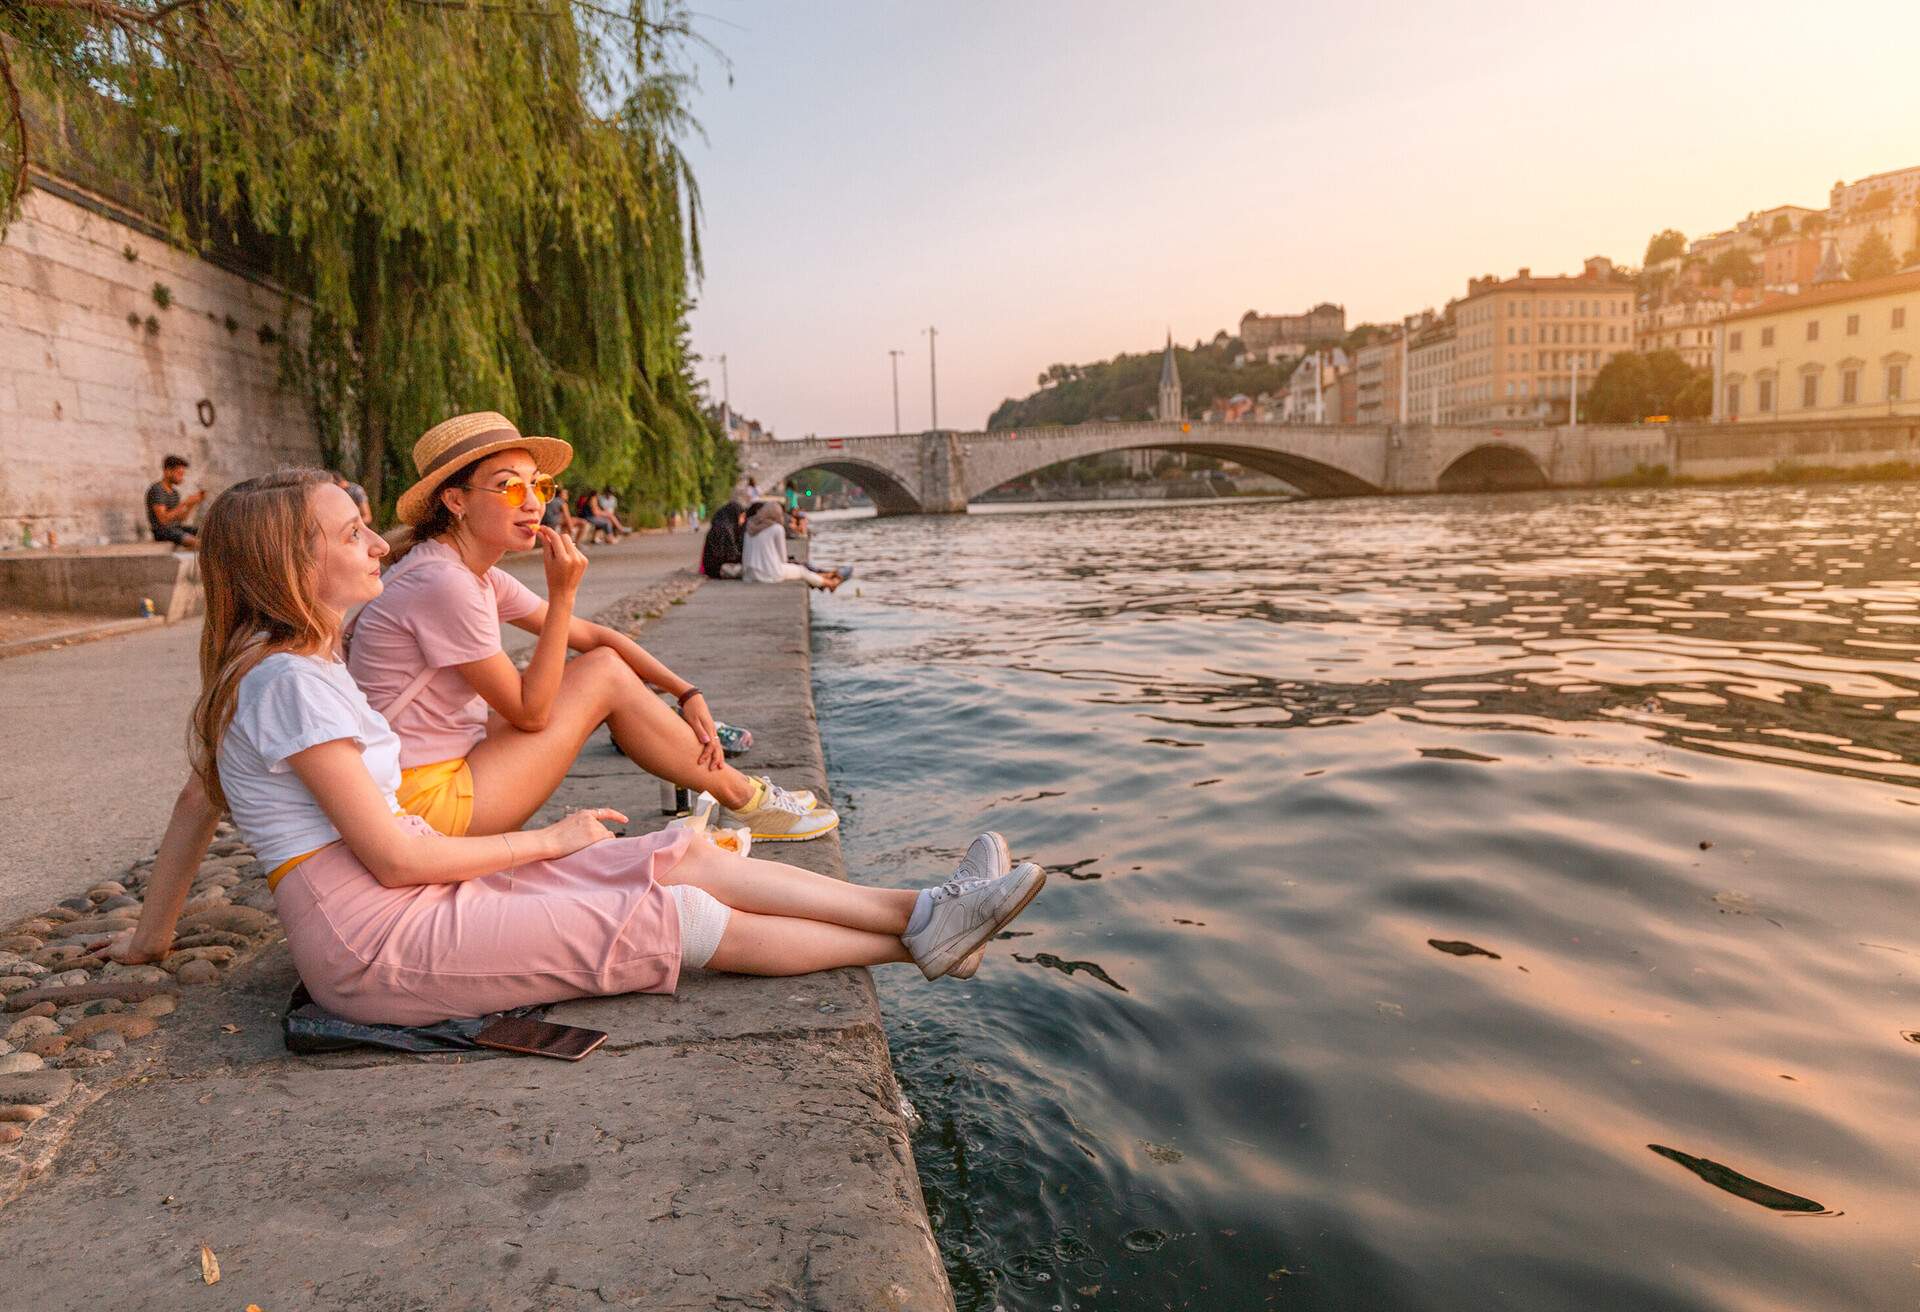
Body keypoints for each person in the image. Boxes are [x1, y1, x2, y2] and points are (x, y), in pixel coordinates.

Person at [98, 469, 1046, 1023]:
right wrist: (551, 842)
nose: (377, 547)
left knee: (674, 851)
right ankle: (917, 942)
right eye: (351, 535)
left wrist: (151, 943)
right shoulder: (292, 681)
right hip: (377, 943)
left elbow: (196, 804)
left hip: (403, 905)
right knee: (670, 916)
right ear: (289, 566)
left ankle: (925, 908)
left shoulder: (280, 666)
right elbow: (391, 856)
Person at [743, 501, 847, 590]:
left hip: (750, 575)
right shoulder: (776, 528)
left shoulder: (750, 528)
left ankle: (825, 576)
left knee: (798, 571)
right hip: (770, 575)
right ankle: (830, 584)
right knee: (801, 571)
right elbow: (782, 558)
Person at [146, 455, 204, 548]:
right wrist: (185, 503)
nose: (182, 477)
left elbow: (181, 518)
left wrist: (191, 504)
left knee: (205, 532)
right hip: (162, 532)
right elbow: (163, 520)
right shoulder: (157, 490)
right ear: (168, 471)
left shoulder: (175, 493)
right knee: (196, 542)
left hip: (176, 528)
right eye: (179, 474)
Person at [699, 482, 751, 579]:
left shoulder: (722, 525)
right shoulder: (725, 529)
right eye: (742, 517)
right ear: (735, 515)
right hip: (717, 569)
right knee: (748, 569)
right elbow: (729, 556)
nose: (743, 520)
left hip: (712, 567)